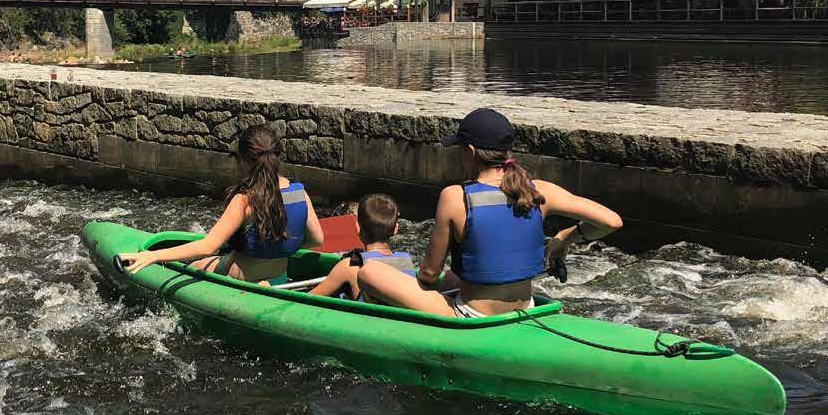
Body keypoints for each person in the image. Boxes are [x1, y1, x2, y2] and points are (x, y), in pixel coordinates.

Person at [359, 108, 623, 318]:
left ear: (470, 152)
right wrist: (566, 236)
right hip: (526, 308)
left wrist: (409, 289)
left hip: (471, 316)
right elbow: (611, 221)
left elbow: (428, 274)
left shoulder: (454, 197)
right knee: (452, 275)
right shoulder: (539, 191)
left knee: (370, 272)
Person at [121, 124, 324, 283]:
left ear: (243, 160)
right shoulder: (300, 193)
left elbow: (208, 246)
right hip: (278, 277)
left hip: (241, 277)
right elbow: (317, 240)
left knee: (195, 265)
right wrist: (278, 246)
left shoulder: (244, 200)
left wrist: (154, 256)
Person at [309, 193, 415, 301]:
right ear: (396, 229)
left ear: (357, 227)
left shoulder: (349, 266)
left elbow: (307, 300)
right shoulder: (405, 262)